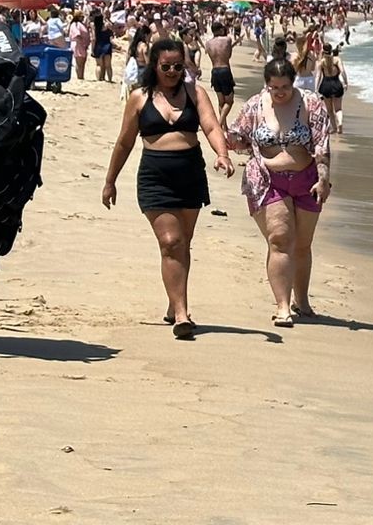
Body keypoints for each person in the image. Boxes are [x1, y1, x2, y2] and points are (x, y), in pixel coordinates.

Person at [101, 38, 234, 339]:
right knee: (171, 242)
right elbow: (124, 142)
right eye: (166, 67)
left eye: (177, 66)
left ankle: (174, 303)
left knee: (183, 243)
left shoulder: (195, 93)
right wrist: (110, 181)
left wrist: (222, 154)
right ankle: (182, 314)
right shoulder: (139, 98)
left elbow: (211, 126)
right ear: (154, 66)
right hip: (155, 177)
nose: (172, 71)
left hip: (190, 173)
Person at [226, 58, 333, 326]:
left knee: (303, 244)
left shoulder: (311, 103)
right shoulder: (254, 106)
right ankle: (282, 306)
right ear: (267, 85)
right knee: (280, 240)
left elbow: (322, 144)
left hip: (307, 179)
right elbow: (238, 137)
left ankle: (302, 301)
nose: (280, 92)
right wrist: (229, 142)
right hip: (267, 180)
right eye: (274, 87)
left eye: (285, 86)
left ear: (293, 83)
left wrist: (323, 179)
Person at [203, 20, 237, 131]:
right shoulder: (227, 39)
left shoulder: (208, 43)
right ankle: (219, 123)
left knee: (221, 102)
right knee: (229, 101)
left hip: (214, 71)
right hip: (225, 70)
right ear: (221, 29)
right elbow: (228, 55)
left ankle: (224, 127)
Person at [316, 45, 347, 134]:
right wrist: (345, 82)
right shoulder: (337, 60)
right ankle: (340, 123)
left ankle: (334, 128)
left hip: (326, 85)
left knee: (329, 110)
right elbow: (342, 72)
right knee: (338, 109)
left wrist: (316, 88)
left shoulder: (322, 62)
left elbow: (318, 76)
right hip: (336, 84)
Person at [90, 6, 114, 82]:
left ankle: (98, 80)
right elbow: (112, 28)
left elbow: (93, 38)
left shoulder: (94, 26)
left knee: (99, 65)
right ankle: (110, 80)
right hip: (107, 44)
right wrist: (106, 19)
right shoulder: (106, 25)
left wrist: (92, 49)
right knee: (108, 65)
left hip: (98, 45)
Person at [68, 10, 90, 80]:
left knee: (83, 62)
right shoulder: (75, 24)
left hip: (82, 45)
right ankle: (79, 77)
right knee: (79, 62)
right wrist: (83, 42)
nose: (83, 18)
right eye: (81, 16)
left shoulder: (81, 24)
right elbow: (77, 35)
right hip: (78, 44)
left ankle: (81, 76)